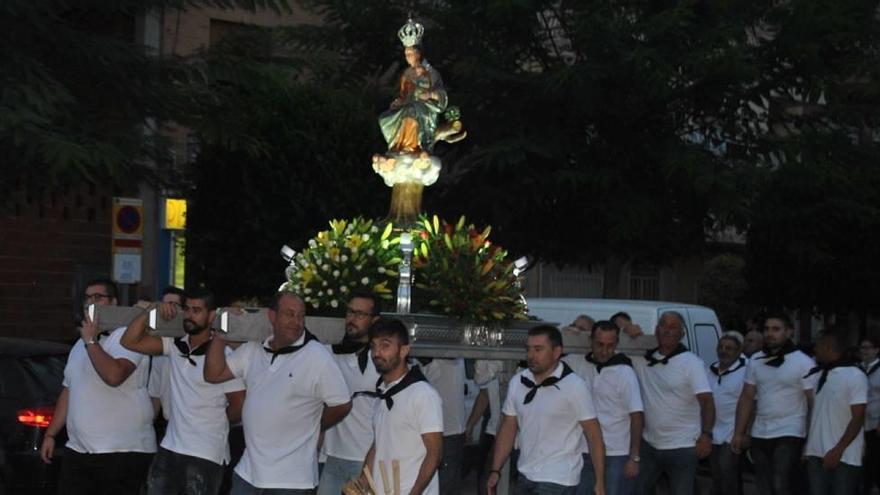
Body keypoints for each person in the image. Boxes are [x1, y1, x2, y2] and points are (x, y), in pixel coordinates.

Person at [204, 291, 352, 494]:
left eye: (301, 315)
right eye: (289, 314)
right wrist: (220, 331)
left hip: (292, 482)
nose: (296, 321)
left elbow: (342, 404)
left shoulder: (317, 357)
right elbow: (213, 374)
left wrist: (315, 424)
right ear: (272, 316)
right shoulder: (254, 350)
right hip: (248, 474)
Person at [121, 287, 246, 495]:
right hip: (170, 447)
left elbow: (239, 404)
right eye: (187, 309)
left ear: (212, 316)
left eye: (196, 310)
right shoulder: (174, 344)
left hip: (205, 452)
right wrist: (150, 310)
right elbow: (129, 341)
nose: (189, 315)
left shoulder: (223, 354)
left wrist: (216, 420)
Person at [39, 278, 156, 494]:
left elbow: (114, 376)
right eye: (86, 298)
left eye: (97, 297)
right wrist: (51, 434)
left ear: (113, 302)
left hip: (121, 452)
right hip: (79, 451)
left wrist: (91, 342)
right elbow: (69, 389)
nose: (90, 303)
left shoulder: (129, 336)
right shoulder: (80, 344)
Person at [488, 325, 606, 495]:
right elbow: (508, 426)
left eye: (538, 349)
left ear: (557, 351)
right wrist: (495, 469)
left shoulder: (574, 386)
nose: (531, 355)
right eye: (528, 349)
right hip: (525, 473)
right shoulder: (518, 381)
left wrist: (600, 481)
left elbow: (594, 435)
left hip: (559, 478)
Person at [732, 312, 815, 495]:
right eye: (767, 329)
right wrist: (739, 432)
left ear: (789, 332)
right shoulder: (755, 360)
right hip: (761, 432)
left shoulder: (803, 362)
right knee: (764, 485)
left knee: (781, 483)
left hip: (790, 430)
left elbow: (812, 402)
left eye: (776, 329)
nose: (770, 333)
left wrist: (811, 438)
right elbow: (747, 397)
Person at [633, 311, 715, 495]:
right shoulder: (643, 360)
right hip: (650, 445)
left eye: (673, 327)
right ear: (656, 330)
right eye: (663, 325)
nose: (667, 331)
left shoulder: (692, 363)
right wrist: (627, 326)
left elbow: (707, 402)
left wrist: (707, 435)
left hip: (683, 446)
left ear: (682, 333)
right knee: (638, 490)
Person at [363, 318, 444, 494]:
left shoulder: (423, 394)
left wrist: (414, 493)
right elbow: (379, 445)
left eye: (385, 346)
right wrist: (363, 482)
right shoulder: (383, 393)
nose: (377, 353)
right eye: (373, 346)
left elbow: (435, 453)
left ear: (404, 350)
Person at [565, 320, 643, 495]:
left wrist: (634, 456)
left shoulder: (624, 372)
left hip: (616, 453)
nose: (604, 350)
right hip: (583, 450)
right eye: (599, 344)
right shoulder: (578, 363)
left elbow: (636, 416)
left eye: (610, 345)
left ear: (617, 344)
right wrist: (571, 329)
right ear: (590, 341)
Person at [317, 293, 381, 495]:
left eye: (360, 314)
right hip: (330, 456)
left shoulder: (381, 359)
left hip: (364, 459)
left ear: (374, 320)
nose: (352, 318)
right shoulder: (329, 351)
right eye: (350, 312)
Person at [803, 331, 867, 495]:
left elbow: (858, 417)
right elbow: (813, 412)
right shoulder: (817, 375)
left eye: (818, 345)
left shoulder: (854, 375)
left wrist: (838, 449)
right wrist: (807, 445)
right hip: (815, 452)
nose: (815, 349)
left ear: (828, 347)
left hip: (845, 456)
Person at [378, 18, 448, 155]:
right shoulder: (407, 74)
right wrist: (398, 102)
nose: (408, 57)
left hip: (425, 109)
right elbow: (404, 95)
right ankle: (397, 146)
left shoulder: (430, 73)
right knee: (384, 118)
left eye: (410, 54)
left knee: (411, 110)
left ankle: (411, 148)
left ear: (418, 54)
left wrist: (430, 95)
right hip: (408, 105)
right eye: (406, 55)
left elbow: (442, 94)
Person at [417, 356, 467, 494]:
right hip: (445, 433)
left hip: (448, 433)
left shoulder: (448, 359)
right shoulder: (435, 362)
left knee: (445, 487)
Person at [706, 332, 748, 495]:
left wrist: (744, 432)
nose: (724, 351)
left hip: (732, 433)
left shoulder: (746, 370)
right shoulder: (710, 370)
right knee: (716, 474)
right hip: (712, 433)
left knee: (727, 473)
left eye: (729, 348)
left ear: (738, 351)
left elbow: (751, 402)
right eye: (721, 347)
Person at [465, 359, 504, 494]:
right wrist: (470, 425)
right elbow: (484, 393)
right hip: (493, 428)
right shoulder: (487, 360)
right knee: (485, 479)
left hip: (514, 432)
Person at [148, 286, 186, 423]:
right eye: (164, 305)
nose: (167, 309)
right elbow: (155, 396)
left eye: (174, 305)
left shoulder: (195, 343)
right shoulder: (160, 350)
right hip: (171, 426)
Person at [860, 337, 880, 494]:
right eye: (862, 348)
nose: (864, 351)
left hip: (875, 422)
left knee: (875, 457)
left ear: (876, 350)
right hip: (860, 422)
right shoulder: (858, 369)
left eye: (868, 347)